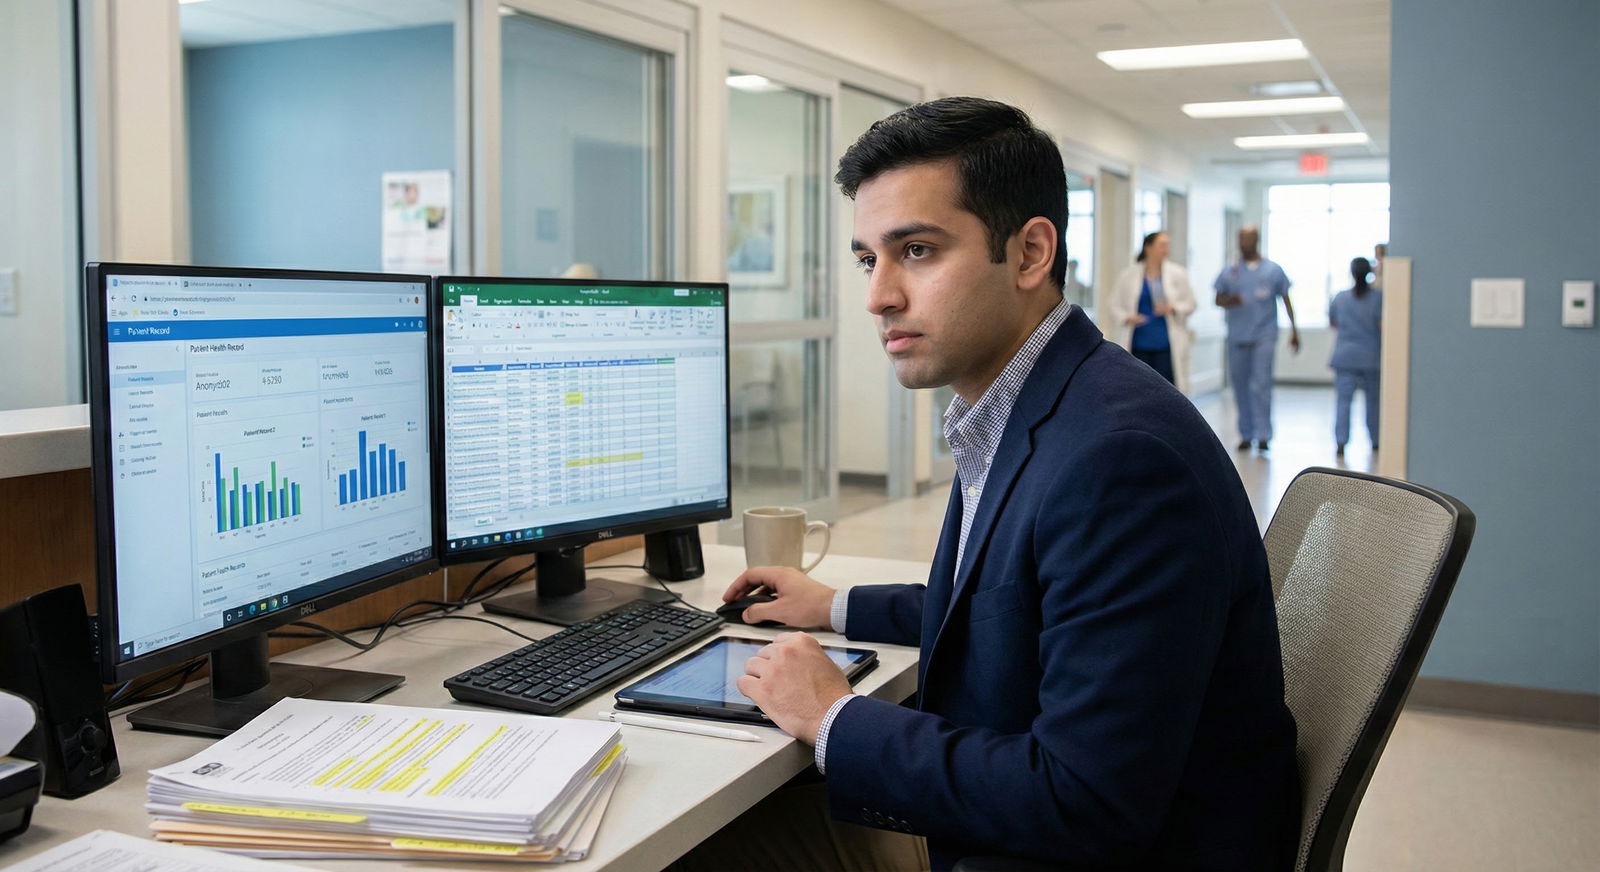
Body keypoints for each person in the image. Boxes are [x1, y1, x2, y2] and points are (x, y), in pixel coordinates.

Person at [677, 97, 1299, 872]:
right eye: (869, 259)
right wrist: (832, 605)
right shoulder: (1039, 404)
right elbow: (1012, 604)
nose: (878, 296)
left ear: (1031, 253)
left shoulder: (1120, 460)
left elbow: (1084, 803)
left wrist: (835, 715)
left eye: (917, 250)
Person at [1215, 227, 1299, 452]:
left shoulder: (1273, 270)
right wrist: (1230, 300)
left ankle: (1263, 435)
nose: (1244, 243)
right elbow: (1218, 299)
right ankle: (1246, 434)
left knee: (1262, 385)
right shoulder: (1230, 271)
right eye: (1241, 239)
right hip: (1237, 336)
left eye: (1248, 239)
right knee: (1240, 386)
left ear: (1257, 240)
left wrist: (1294, 330)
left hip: (1264, 335)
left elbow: (1286, 299)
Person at [1107, 230, 1196, 390]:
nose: (1166, 249)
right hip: (1138, 345)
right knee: (1138, 389)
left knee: (1166, 390)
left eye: (1167, 245)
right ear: (1148, 247)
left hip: (1166, 346)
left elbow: (1191, 303)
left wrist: (1173, 308)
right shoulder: (1129, 275)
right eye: (1162, 245)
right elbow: (1113, 304)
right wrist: (1127, 317)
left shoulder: (1177, 273)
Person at [1329, 256, 1382, 457]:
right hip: (1370, 356)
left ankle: (1341, 442)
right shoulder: (1378, 298)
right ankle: (1375, 441)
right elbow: (1382, 325)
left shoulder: (1340, 298)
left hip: (1345, 355)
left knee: (1343, 402)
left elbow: (1333, 323)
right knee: (1373, 403)